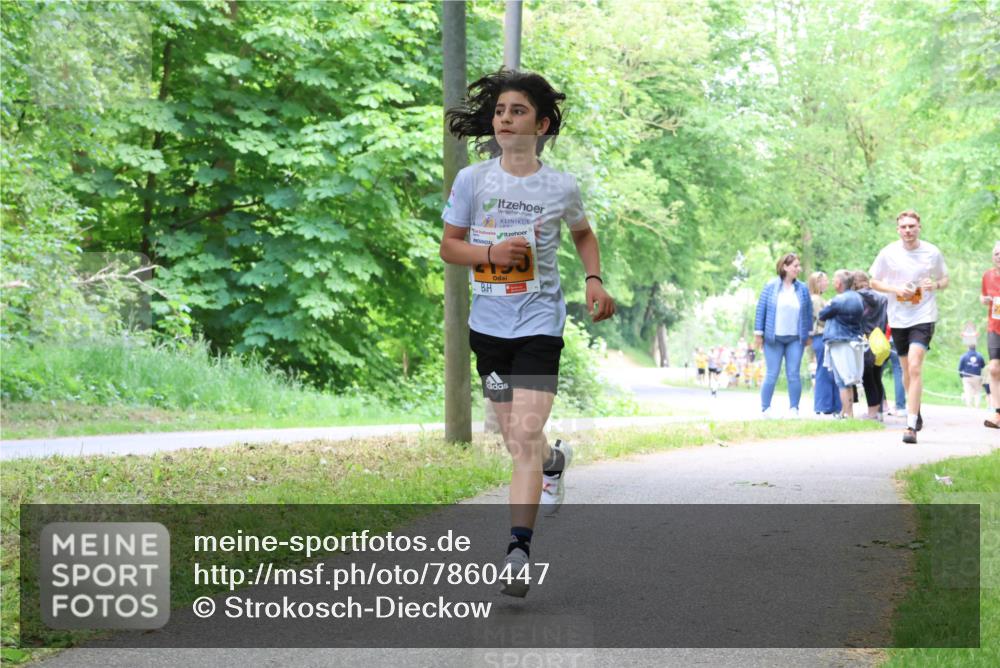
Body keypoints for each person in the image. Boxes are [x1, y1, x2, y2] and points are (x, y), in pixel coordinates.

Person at [440, 69, 615, 596]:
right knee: (516, 433)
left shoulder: (559, 185)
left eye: (517, 111)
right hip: (487, 334)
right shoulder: (473, 180)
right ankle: (554, 462)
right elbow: (450, 247)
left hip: (539, 325)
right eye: (499, 111)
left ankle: (518, 551)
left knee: (521, 440)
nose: (505, 119)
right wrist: (490, 254)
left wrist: (594, 279)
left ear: (540, 124)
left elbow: (583, 234)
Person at [869, 210, 949, 444]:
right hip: (898, 318)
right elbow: (873, 281)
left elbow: (945, 280)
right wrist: (896, 290)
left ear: (919, 227)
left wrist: (934, 284)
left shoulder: (931, 252)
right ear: (898, 230)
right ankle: (916, 410)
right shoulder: (888, 253)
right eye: (903, 227)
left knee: (915, 366)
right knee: (906, 371)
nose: (908, 231)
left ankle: (910, 425)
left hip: (923, 315)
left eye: (912, 226)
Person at [753, 253, 813, 417]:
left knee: (793, 373)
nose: (798, 269)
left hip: (795, 338)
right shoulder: (770, 287)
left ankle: (794, 409)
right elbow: (761, 311)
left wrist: (809, 334)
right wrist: (758, 334)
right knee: (772, 373)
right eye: (795, 266)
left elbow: (808, 312)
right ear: (785, 267)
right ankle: (766, 409)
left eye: (799, 265)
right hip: (774, 338)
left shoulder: (802, 289)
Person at [818, 270, 866, 418]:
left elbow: (822, 315)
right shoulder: (858, 298)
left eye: (834, 280)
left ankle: (848, 414)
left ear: (839, 283)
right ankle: (845, 411)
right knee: (849, 378)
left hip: (839, 342)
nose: (832, 282)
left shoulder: (838, 300)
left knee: (842, 380)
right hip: (854, 340)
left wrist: (827, 304)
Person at [854, 271, 889, 420]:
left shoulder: (857, 298)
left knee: (868, 378)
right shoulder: (882, 298)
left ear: (854, 283)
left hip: (865, 339)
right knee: (877, 376)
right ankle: (879, 411)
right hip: (880, 339)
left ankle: (872, 413)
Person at [807, 271, 842, 415]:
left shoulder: (820, 298)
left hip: (823, 336)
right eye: (824, 281)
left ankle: (833, 405)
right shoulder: (815, 299)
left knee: (829, 370)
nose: (827, 283)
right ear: (816, 283)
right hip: (821, 336)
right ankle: (823, 406)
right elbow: (821, 318)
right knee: (823, 370)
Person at [982, 241, 1000, 428]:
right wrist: (984, 299)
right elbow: (983, 297)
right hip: (994, 327)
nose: (999, 257)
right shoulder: (987, 276)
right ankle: (997, 413)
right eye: (996, 254)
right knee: (994, 369)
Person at [958, 344, 986, 409]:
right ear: (975, 347)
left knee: (967, 391)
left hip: (966, 377)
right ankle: (977, 405)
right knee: (977, 391)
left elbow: (960, 368)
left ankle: (969, 405)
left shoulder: (964, 356)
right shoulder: (980, 355)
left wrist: (961, 376)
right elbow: (983, 366)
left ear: (968, 347)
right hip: (977, 376)